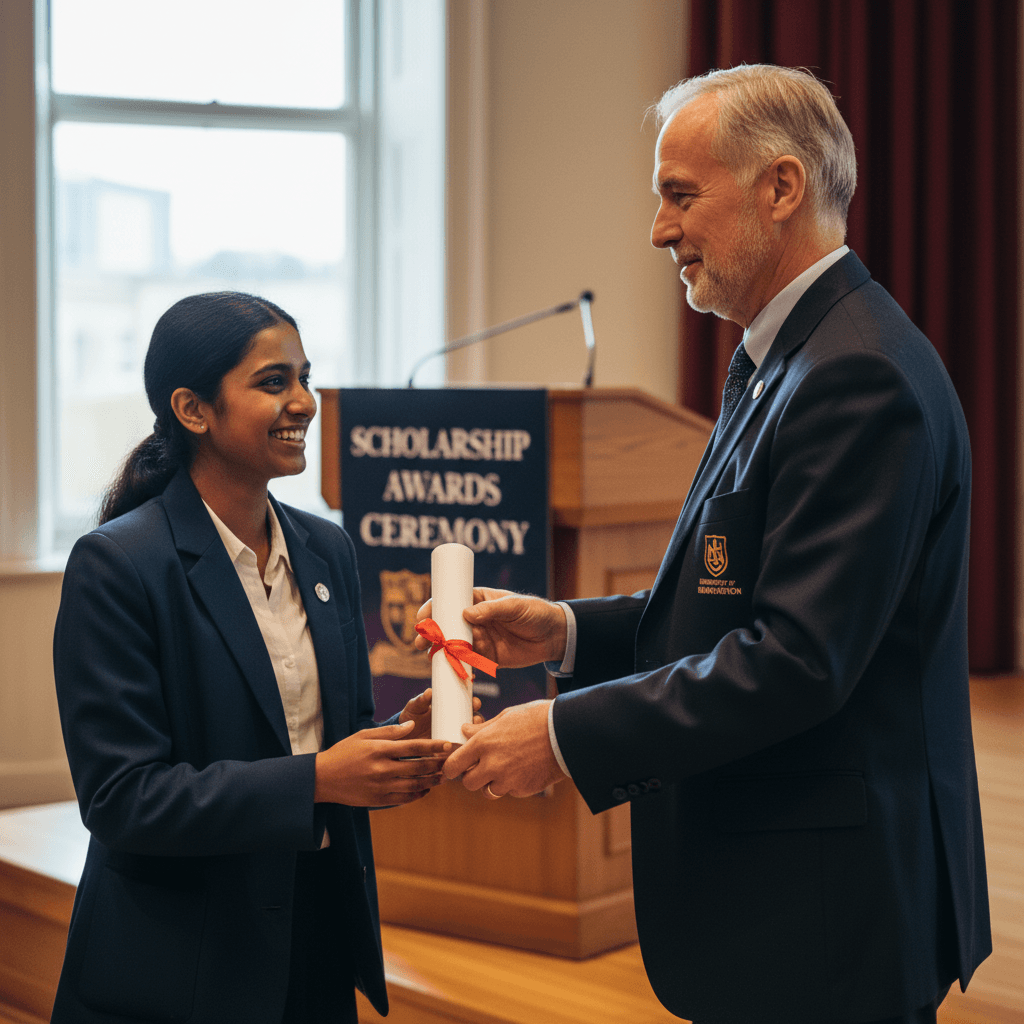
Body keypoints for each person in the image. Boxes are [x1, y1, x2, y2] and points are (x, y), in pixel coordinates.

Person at [430, 66, 991, 1024]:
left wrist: (563, 735)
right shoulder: (793, 353)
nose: (659, 229)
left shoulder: (855, 375)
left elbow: (796, 661)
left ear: (781, 188)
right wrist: (565, 631)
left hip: (827, 908)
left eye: (680, 195)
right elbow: (733, 603)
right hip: (792, 891)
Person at [52, 292, 468, 1024]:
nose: (304, 401)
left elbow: (327, 739)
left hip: (316, 934)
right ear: (193, 410)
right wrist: (321, 779)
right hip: (180, 965)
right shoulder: (117, 565)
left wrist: (401, 738)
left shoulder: (326, 548)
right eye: (274, 382)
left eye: (306, 377)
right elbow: (123, 799)